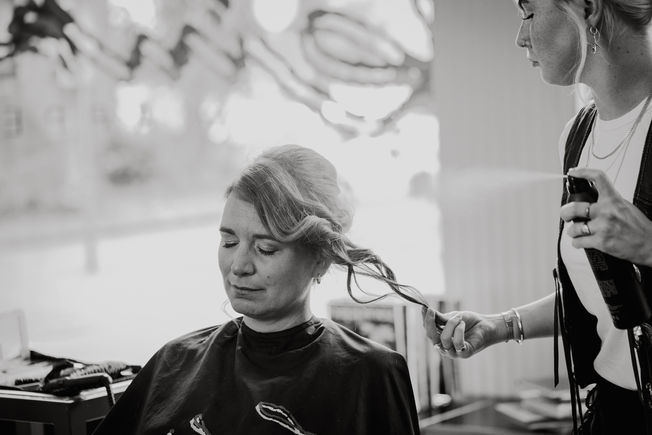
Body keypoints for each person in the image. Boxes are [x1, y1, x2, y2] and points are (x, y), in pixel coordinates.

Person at [422, 0, 652, 433]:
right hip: (617, 410)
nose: (520, 37)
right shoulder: (578, 135)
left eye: (528, 13)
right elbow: (601, 295)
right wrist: (500, 326)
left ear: (587, 7)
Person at [93, 144, 422, 435]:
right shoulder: (174, 361)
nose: (238, 265)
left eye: (266, 249)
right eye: (229, 242)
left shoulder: (371, 374)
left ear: (320, 260)